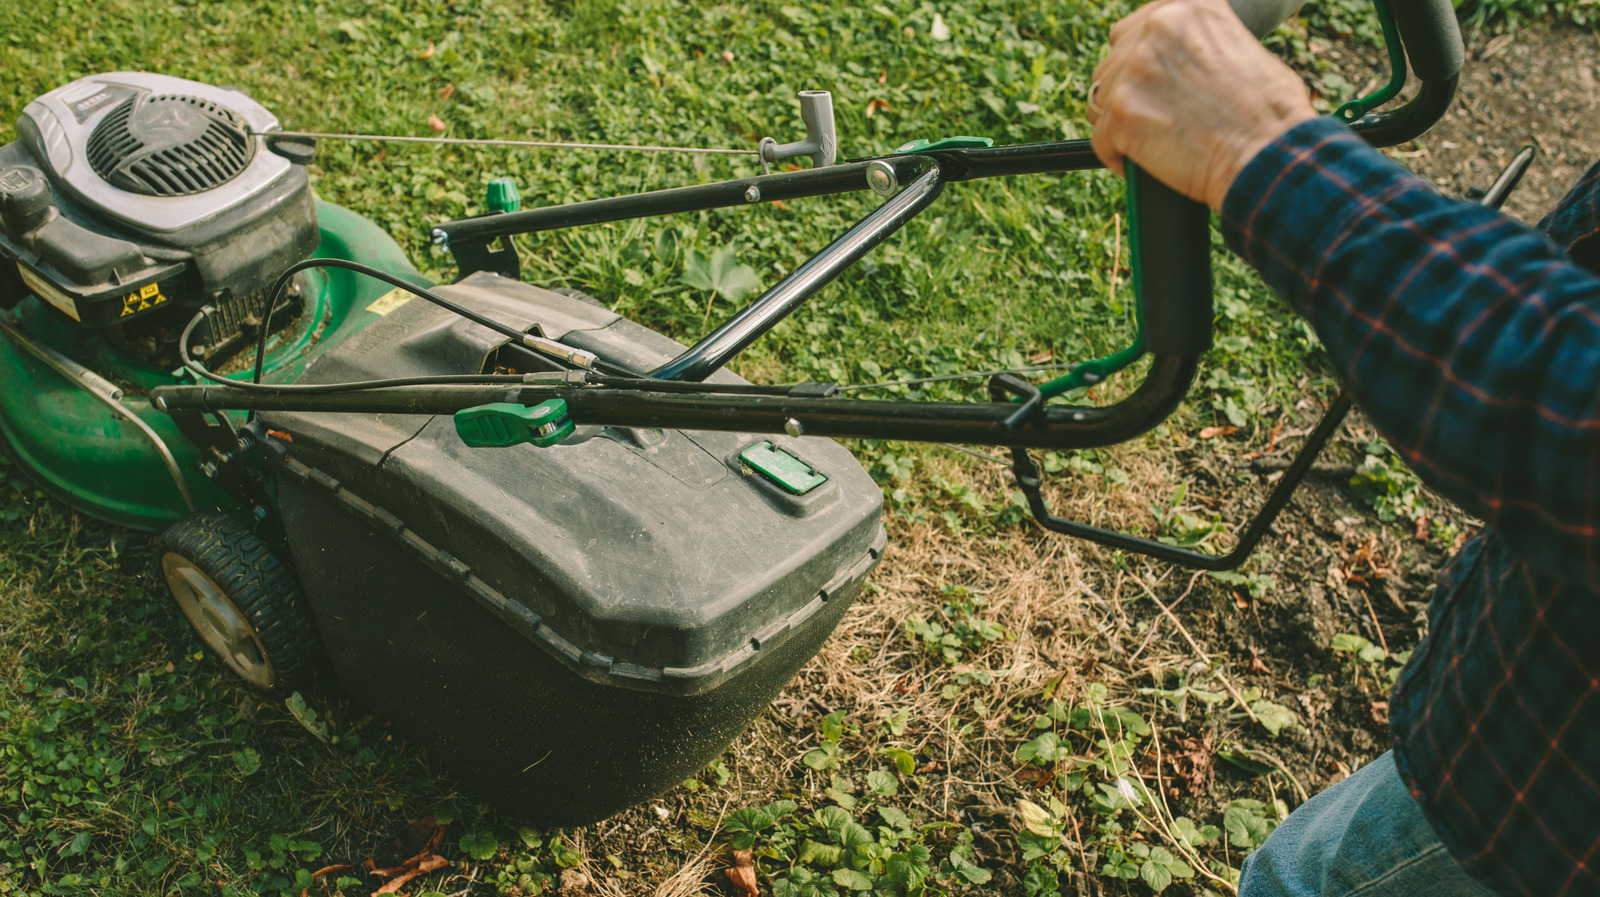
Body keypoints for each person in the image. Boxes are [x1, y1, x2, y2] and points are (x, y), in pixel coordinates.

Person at [1085, 1, 1600, 895]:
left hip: (1553, 815)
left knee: (1299, 881)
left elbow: (1574, 415)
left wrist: (1258, 143)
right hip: (1541, 678)